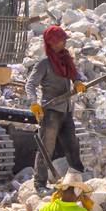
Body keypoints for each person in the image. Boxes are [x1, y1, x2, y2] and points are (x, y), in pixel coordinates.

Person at [25, 24, 86, 193]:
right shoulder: (44, 63)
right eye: (59, 41)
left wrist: (78, 82)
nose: (63, 43)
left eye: (64, 40)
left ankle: (78, 179)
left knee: (72, 145)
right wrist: (33, 102)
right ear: (51, 43)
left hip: (66, 111)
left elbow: (75, 75)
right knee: (46, 148)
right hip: (50, 112)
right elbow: (30, 84)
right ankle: (39, 184)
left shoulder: (65, 59)